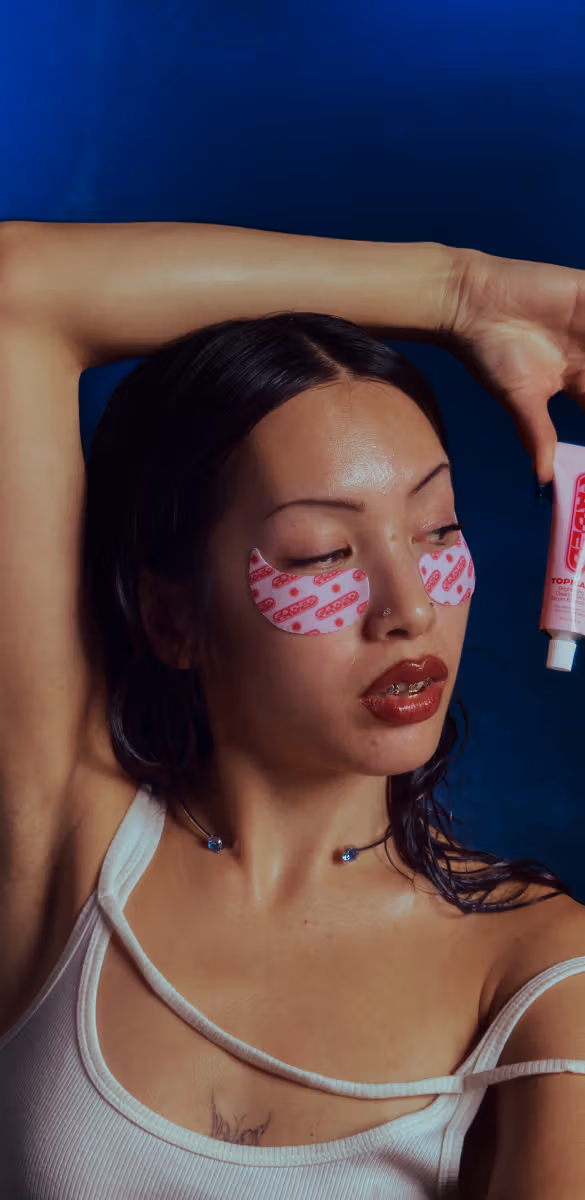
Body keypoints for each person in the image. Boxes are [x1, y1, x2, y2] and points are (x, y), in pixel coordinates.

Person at [0, 220, 584, 1200]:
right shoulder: (66, 839)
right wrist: (463, 293)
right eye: (322, 554)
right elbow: (14, 293)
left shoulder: (532, 967)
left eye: (437, 531)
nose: (411, 610)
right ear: (173, 617)